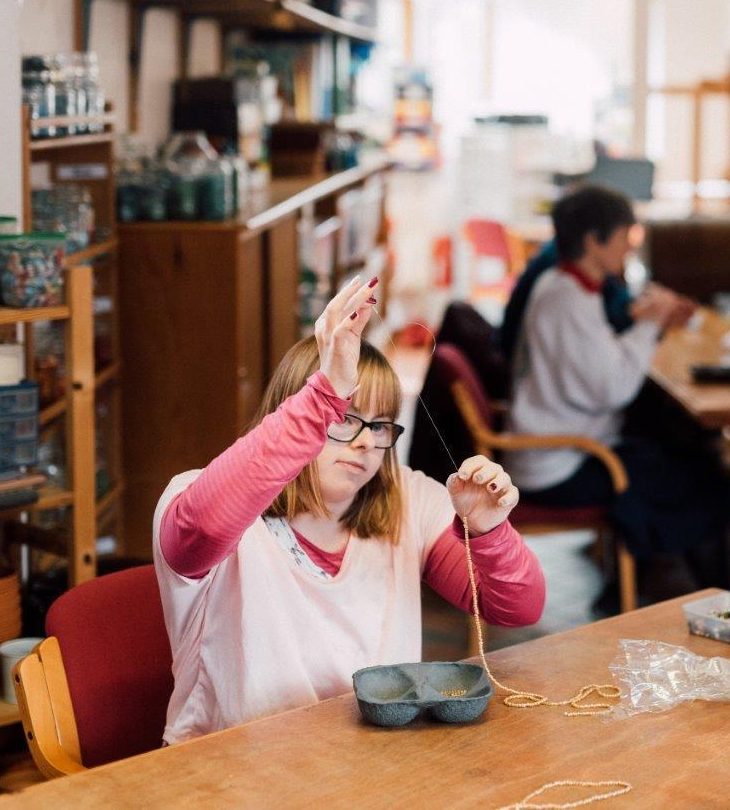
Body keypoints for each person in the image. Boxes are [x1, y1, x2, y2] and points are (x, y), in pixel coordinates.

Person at [153, 276, 545, 744]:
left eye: (380, 425)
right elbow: (206, 525)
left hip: (368, 767)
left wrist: (488, 532)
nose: (364, 442)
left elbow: (519, 608)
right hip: (230, 775)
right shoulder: (194, 495)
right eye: (344, 417)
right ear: (293, 411)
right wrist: (325, 393)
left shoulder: (408, 497)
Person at [504, 185, 726, 594]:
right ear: (594, 240)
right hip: (557, 464)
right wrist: (650, 323)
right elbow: (615, 388)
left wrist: (641, 318)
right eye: (626, 237)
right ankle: (694, 592)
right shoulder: (567, 299)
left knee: (680, 455)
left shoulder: (562, 285)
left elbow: (600, 361)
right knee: (699, 477)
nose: (629, 248)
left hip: (564, 445)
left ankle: (643, 580)